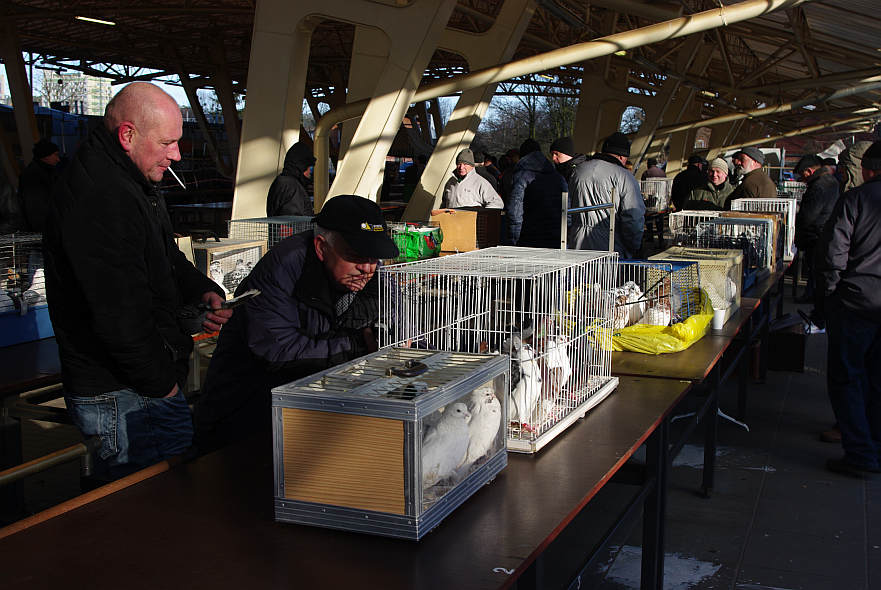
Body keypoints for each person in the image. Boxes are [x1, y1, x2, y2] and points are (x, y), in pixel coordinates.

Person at [43, 82, 232, 479]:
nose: (176, 155)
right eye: (167, 143)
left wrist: (202, 289)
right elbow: (118, 313)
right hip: (124, 391)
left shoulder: (132, 180)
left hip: (136, 384)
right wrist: (162, 386)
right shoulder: (100, 197)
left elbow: (164, 254)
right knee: (156, 499)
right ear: (127, 135)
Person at [193, 195, 398, 452]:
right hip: (246, 420)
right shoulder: (282, 268)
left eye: (375, 257)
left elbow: (397, 320)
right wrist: (357, 346)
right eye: (356, 256)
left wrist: (392, 337)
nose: (367, 268)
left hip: (310, 415)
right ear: (321, 247)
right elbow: (278, 350)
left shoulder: (374, 275)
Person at [816, 140, 881, 479]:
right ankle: (874, 446)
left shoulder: (855, 199)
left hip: (855, 302)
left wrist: (831, 294)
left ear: (868, 170)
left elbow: (834, 253)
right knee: (877, 378)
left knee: (848, 377)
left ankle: (860, 453)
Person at [568, 131, 645, 258]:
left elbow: (568, 205)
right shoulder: (624, 176)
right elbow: (633, 218)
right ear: (622, 157)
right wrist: (634, 246)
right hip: (610, 247)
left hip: (577, 245)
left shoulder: (578, 171)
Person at [793, 154, 839, 310]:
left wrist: (798, 227)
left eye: (802, 175)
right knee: (817, 271)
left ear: (809, 171)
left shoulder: (818, 186)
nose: (802, 179)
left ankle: (811, 295)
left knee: (813, 269)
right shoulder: (831, 182)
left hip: (815, 235)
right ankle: (813, 295)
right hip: (824, 234)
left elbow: (809, 216)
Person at [505, 138, 568, 248]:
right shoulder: (557, 176)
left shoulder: (521, 176)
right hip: (555, 236)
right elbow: (566, 207)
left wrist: (514, 239)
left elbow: (515, 211)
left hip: (529, 237)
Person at [18, 139, 61, 232]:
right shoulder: (33, 176)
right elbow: (35, 208)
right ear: (45, 155)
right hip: (44, 228)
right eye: (55, 155)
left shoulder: (48, 172)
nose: (58, 159)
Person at [266, 141, 315, 217]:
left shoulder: (282, 181)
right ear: (301, 166)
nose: (310, 172)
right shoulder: (291, 186)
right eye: (309, 167)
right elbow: (292, 219)